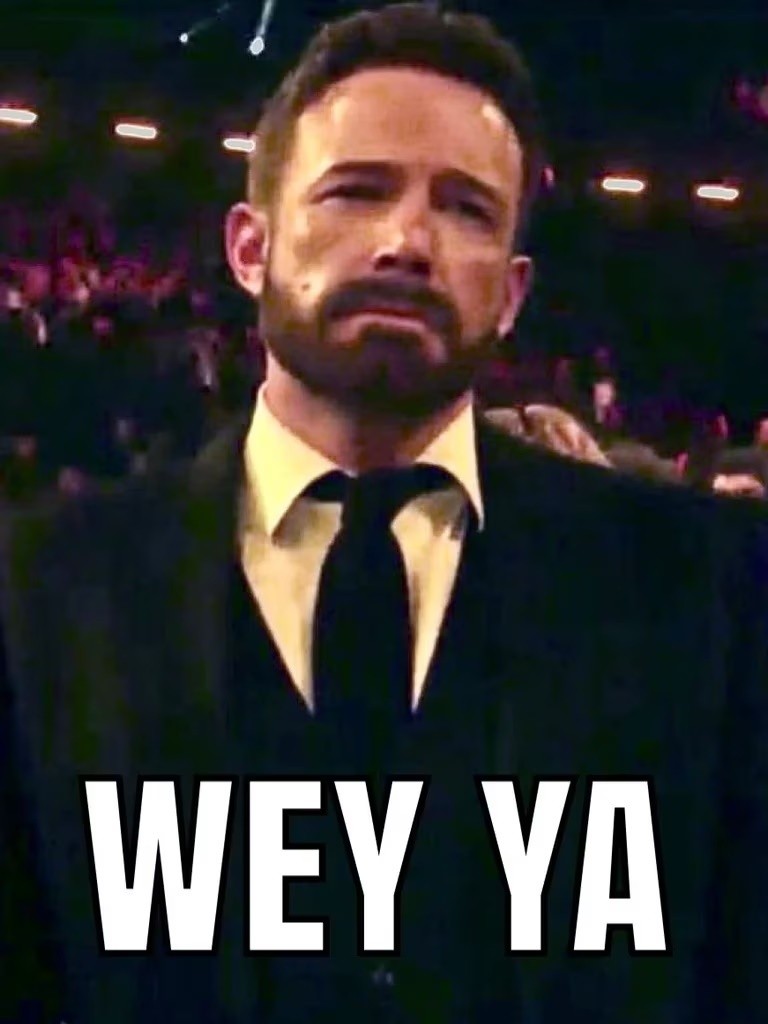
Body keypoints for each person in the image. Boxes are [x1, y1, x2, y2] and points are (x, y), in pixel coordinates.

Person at [1, 5, 767, 1023]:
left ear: (512, 295)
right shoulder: (40, 588)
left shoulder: (708, 586)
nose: (408, 242)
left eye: (467, 209)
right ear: (248, 248)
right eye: (356, 191)